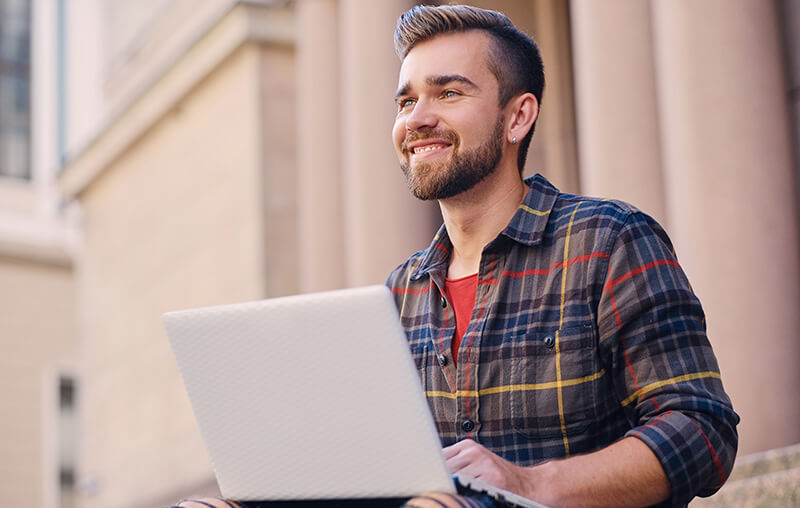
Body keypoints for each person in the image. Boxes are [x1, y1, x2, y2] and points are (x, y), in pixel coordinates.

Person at [172, 5, 738, 508]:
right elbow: (362, 469)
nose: (417, 117)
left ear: (518, 117)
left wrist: (529, 483)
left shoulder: (608, 240)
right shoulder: (399, 294)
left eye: (448, 92)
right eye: (406, 99)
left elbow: (701, 430)